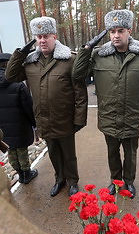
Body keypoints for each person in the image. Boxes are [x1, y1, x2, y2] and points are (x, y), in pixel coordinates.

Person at [73, 9, 139, 199]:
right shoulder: (98, 55)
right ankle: (115, 181)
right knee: (112, 153)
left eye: (121, 30)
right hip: (109, 116)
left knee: (131, 154)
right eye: (112, 31)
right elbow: (77, 76)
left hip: (134, 117)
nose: (116, 35)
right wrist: (85, 50)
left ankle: (128, 182)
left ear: (130, 30)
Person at [6, 17, 88, 197]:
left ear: (54, 37)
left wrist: (79, 118)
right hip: (43, 118)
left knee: (69, 154)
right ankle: (60, 179)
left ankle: (73, 181)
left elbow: (80, 93)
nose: (42, 40)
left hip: (64, 117)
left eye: (46, 36)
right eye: (38, 37)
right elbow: (11, 76)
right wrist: (20, 53)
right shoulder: (30, 62)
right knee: (53, 152)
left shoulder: (69, 60)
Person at [0, 53, 38, 184]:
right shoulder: (18, 84)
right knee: (22, 150)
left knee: (10, 150)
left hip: (2, 126)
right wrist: (34, 123)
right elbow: (28, 107)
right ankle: (27, 174)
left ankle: (20, 175)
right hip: (20, 125)